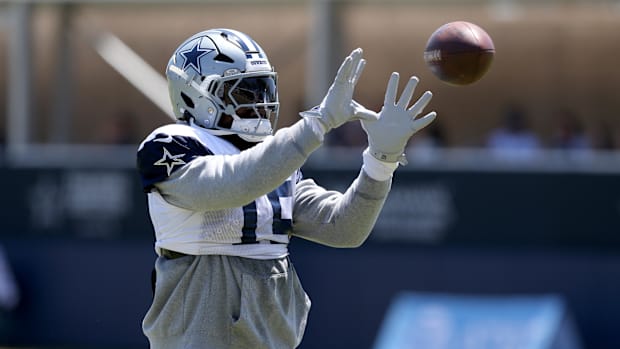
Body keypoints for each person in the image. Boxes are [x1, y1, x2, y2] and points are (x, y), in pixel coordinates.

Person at [136, 28, 436, 349]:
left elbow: (343, 228)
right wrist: (316, 124)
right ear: (196, 95)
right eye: (245, 92)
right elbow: (229, 185)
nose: (261, 103)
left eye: (263, 89)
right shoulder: (171, 144)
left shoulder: (273, 159)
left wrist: (380, 161)